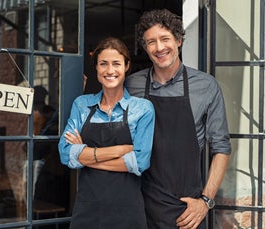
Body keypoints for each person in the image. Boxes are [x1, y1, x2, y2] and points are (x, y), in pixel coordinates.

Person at [125, 9, 231, 229]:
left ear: (179, 40)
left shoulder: (206, 86)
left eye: (165, 39)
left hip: (186, 210)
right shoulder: (131, 85)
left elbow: (221, 148)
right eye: (151, 42)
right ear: (145, 48)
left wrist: (206, 201)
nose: (159, 47)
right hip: (138, 204)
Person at [58, 37, 155, 228]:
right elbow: (65, 154)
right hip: (87, 210)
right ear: (96, 68)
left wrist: (86, 156)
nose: (110, 70)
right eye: (103, 64)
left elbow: (140, 162)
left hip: (127, 212)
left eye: (116, 64)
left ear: (127, 66)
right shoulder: (82, 105)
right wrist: (121, 150)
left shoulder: (143, 109)